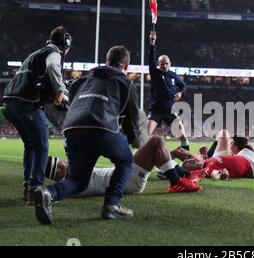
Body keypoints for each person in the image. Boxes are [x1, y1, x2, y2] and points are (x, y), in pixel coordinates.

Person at [33, 46, 141, 225]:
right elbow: (133, 125)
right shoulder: (126, 83)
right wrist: (127, 143)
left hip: (73, 129)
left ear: (107, 61)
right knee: (125, 160)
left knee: (78, 180)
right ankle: (112, 205)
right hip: (102, 128)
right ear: (126, 65)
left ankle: (48, 193)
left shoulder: (81, 80)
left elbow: (74, 103)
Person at [2, 26, 71, 203]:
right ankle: (35, 189)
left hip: (10, 102)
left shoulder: (35, 54)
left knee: (30, 146)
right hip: (25, 105)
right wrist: (60, 90)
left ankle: (28, 188)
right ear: (66, 42)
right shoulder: (54, 53)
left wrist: (52, 96)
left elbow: (36, 82)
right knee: (41, 146)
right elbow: (53, 66)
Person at [43, 136, 202, 197]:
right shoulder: (71, 180)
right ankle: (176, 182)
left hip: (125, 178)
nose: (64, 162)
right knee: (156, 142)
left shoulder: (72, 179)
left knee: (156, 146)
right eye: (60, 163)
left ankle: (181, 175)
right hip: (126, 180)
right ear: (58, 169)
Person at [147, 31, 190, 150]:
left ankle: (187, 160)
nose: (164, 66)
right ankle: (139, 162)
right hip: (156, 111)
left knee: (183, 137)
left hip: (170, 111)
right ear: (158, 65)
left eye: (166, 64)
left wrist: (180, 93)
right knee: (145, 136)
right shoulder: (155, 73)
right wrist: (152, 42)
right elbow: (151, 58)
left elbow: (183, 86)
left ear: (170, 64)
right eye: (161, 64)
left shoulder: (174, 75)